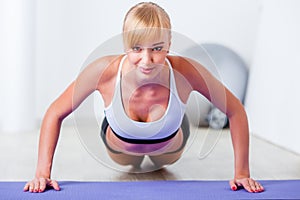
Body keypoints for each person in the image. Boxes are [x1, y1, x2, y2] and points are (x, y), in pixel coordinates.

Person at [24, 2, 264, 193]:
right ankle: (135, 155)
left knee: (164, 140)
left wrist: (242, 172)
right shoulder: (104, 72)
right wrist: (42, 173)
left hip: (168, 143)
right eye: (137, 49)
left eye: (157, 49)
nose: (147, 60)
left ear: (169, 44)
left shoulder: (186, 71)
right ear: (126, 44)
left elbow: (235, 110)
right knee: (131, 161)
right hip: (122, 148)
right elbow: (55, 112)